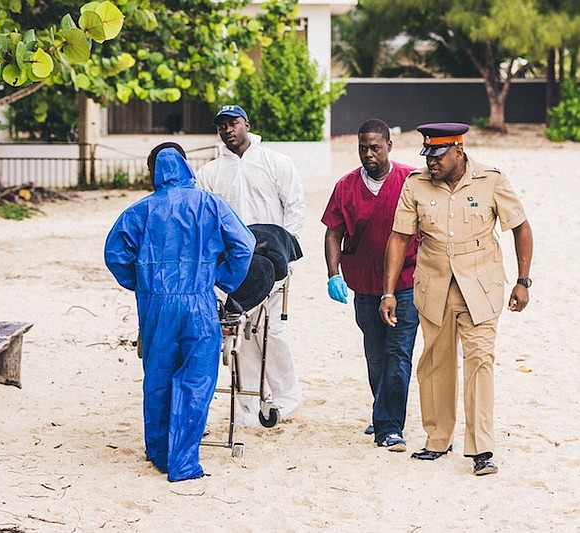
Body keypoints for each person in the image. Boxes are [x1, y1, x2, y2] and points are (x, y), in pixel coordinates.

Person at [379, 123, 534, 476]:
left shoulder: (491, 180)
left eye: (438, 156)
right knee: (435, 362)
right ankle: (438, 438)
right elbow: (400, 238)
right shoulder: (415, 184)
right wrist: (388, 291)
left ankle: (481, 448)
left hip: (480, 284)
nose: (431, 162)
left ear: (458, 151)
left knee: (480, 360)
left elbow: (521, 227)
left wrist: (523, 281)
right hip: (434, 284)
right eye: (427, 155)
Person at [104, 142, 255, 482]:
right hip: (199, 301)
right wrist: (221, 281)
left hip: (157, 303)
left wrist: (143, 283)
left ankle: (159, 454)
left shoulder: (139, 211)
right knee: (196, 380)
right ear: (187, 167)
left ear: (153, 172)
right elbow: (244, 245)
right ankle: (183, 462)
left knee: (158, 377)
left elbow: (115, 255)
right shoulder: (211, 204)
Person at [196, 104, 305, 427]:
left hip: (272, 263)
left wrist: (286, 249)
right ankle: (249, 406)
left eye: (233, 123)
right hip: (232, 267)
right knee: (240, 334)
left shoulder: (276, 163)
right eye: (222, 126)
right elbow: (206, 222)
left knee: (272, 330)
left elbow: (295, 207)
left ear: (247, 124)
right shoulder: (210, 173)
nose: (228, 130)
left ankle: (287, 397)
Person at [321, 118, 419, 452]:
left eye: (375, 147)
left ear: (389, 146)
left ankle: (390, 427)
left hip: (407, 282)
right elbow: (333, 232)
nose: (369, 154)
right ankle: (383, 410)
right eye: (363, 147)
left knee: (398, 354)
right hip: (364, 284)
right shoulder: (346, 186)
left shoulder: (411, 181)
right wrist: (333, 274)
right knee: (376, 356)